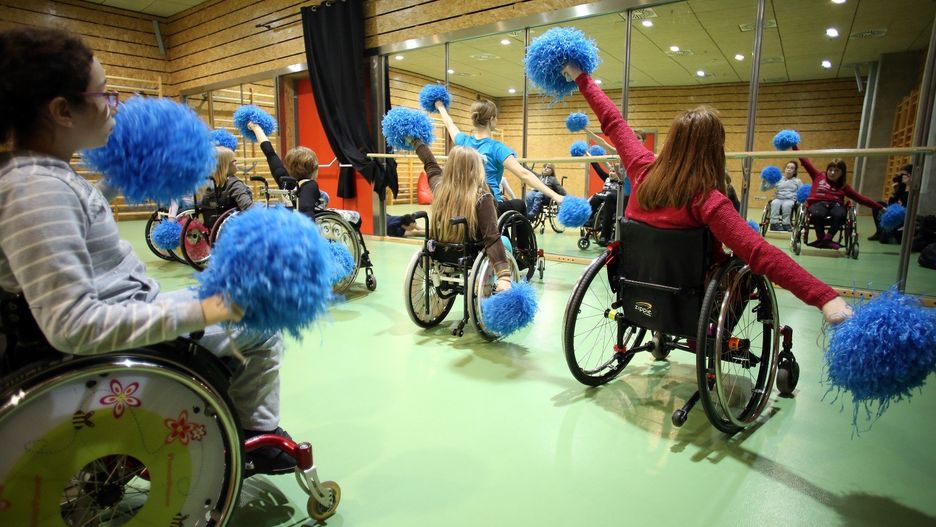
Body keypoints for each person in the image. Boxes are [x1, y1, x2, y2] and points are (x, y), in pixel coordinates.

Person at [0, 27, 294, 474]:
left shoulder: (39, 176)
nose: (114, 106)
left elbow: (75, 216)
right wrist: (209, 310)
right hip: (121, 330)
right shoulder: (37, 189)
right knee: (263, 329)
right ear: (63, 110)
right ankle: (254, 438)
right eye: (104, 94)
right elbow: (72, 326)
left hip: (132, 302)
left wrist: (120, 180)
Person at [563, 62, 853, 325]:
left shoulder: (641, 168)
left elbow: (612, 121)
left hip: (639, 287)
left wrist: (580, 76)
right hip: (695, 302)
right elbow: (759, 252)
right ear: (715, 150)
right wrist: (824, 296)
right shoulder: (708, 201)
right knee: (746, 264)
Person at [434, 98, 564, 216]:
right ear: (491, 119)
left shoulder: (463, 141)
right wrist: (556, 196)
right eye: (496, 117)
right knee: (520, 205)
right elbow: (524, 174)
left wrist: (440, 105)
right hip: (490, 204)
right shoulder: (497, 148)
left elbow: (449, 124)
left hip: (465, 203)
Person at [413, 140, 512, 292]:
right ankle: (492, 279)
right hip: (470, 254)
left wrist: (416, 142)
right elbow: (491, 237)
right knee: (504, 240)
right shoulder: (482, 197)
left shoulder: (439, 189)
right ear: (477, 168)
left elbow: (430, 164)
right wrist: (504, 275)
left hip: (441, 252)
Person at [794, 147, 883, 249]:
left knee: (840, 214)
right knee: (817, 213)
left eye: (836, 171)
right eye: (830, 170)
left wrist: (880, 207)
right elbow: (805, 162)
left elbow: (861, 199)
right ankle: (821, 238)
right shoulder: (818, 176)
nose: (832, 173)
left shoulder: (844, 187)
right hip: (818, 204)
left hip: (836, 205)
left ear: (842, 173)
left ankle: (827, 239)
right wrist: (794, 146)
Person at [589, 160, 629, 246]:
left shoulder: (621, 181)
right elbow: (597, 168)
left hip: (613, 200)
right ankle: (589, 219)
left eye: (614, 171)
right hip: (603, 197)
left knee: (609, 197)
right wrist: (590, 156)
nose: (611, 173)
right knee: (594, 198)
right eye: (610, 171)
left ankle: (605, 236)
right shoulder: (606, 178)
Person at [869, 163, 911, 242]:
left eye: (903, 174)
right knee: (878, 204)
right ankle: (879, 231)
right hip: (896, 211)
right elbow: (891, 203)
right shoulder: (902, 186)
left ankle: (888, 233)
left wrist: (908, 186)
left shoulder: (914, 189)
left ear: (910, 175)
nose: (901, 176)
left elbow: (908, 205)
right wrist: (894, 191)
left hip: (904, 216)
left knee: (884, 240)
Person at [769, 161, 803, 231]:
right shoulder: (779, 179)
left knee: (786, 205)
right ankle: (774, 224)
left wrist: (801, 201)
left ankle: (786, 224)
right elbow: (767, 187)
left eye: (792, 168)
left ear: (794, 171)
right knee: (774, 203)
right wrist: (766, 181)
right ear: (785, 169)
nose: (789, 169)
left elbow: (801, 192)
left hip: (790, 199)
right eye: (787, 167)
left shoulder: (798, 181)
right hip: (778, 198)